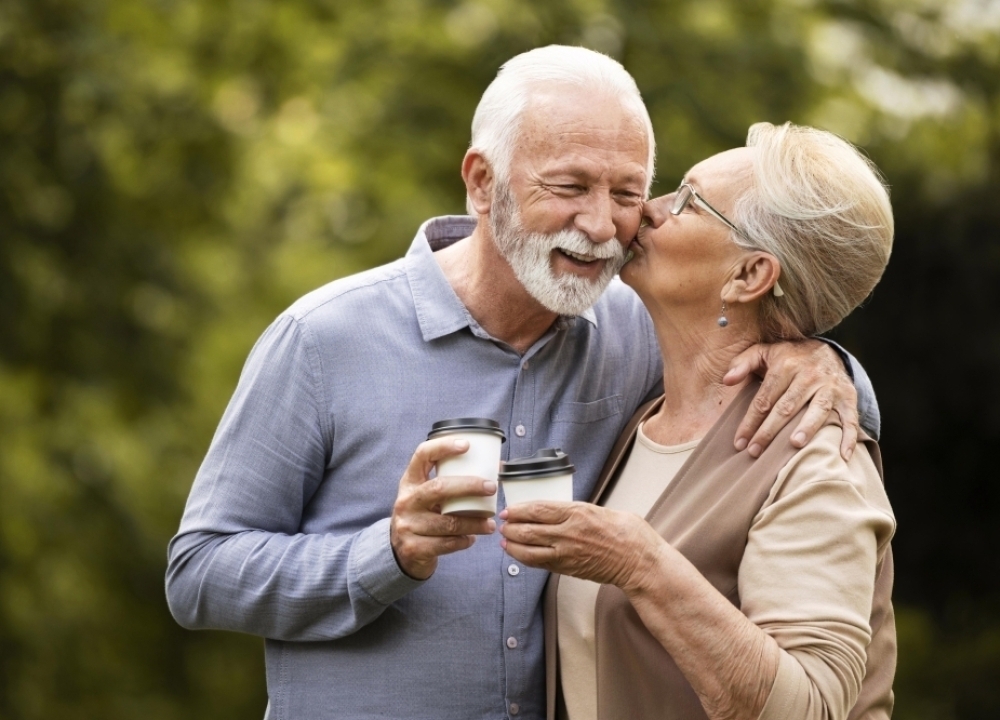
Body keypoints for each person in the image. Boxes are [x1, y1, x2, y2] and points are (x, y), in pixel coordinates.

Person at [165, 47, 878, 720]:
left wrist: (825, 361)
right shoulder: (325, 339)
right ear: (482, 182)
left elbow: (756, 383)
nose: (602, 225)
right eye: (569, 187)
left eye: (628, 192)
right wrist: (386, 552)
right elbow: (198, 574)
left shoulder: (643, 333)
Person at [500, 121, 896, 720]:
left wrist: (640, 562)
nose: (647, 212)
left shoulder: (817, 457)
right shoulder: (643, 416)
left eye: (687, 200)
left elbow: (814, 708)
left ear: (749, 276)